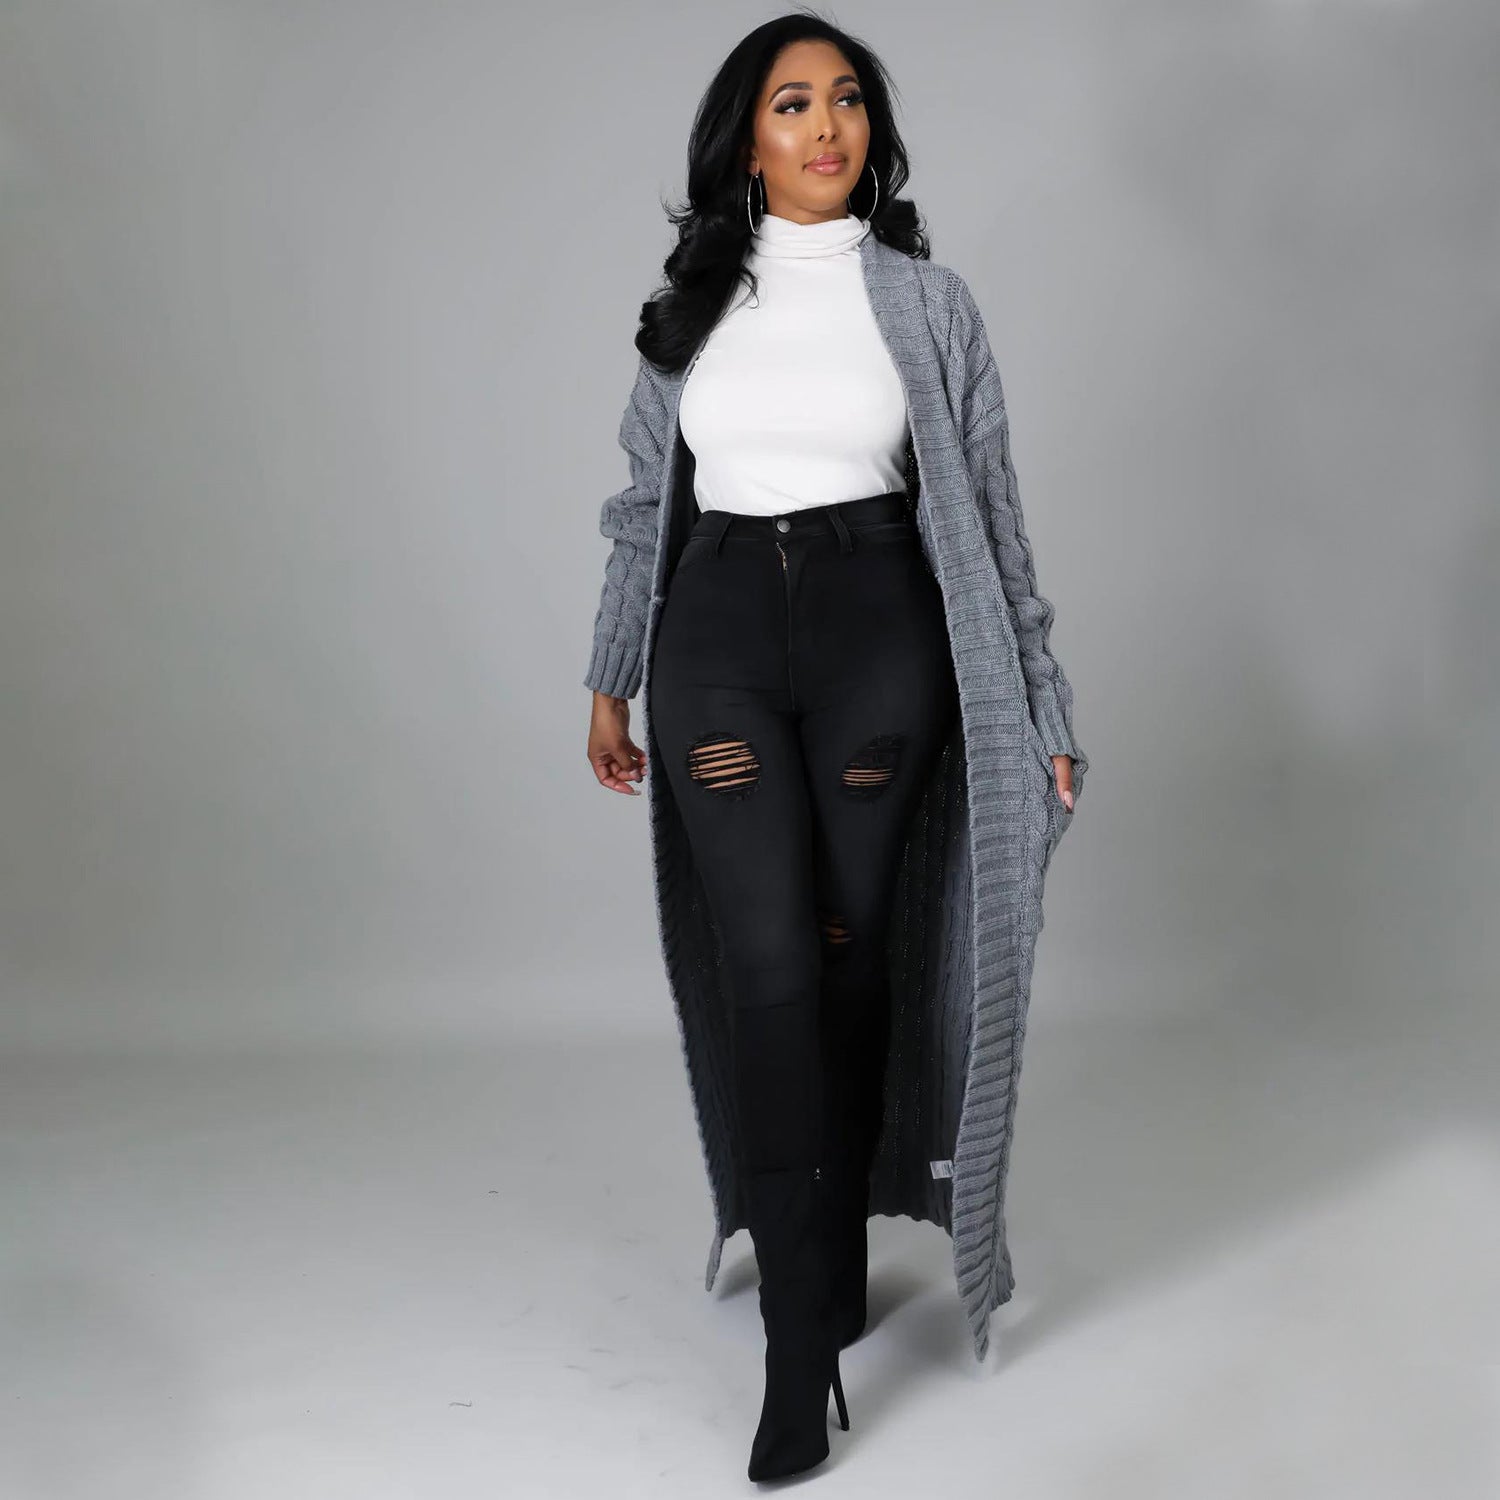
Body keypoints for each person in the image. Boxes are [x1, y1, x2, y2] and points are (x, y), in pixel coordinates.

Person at [584, 15, 1087, 1485]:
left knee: (853, 958)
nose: (826, 125)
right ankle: (797, 1352)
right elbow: (643, 508)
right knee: (770, 970)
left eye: (848, 99)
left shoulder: (929, 305)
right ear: (746, 138)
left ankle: (838, 1246)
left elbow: (992, 516)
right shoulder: (689, 310)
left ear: (872, 130)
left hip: (882, 637)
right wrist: (611, 676)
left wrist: (1046, 707)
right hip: (719, 638)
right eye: (793, 103)